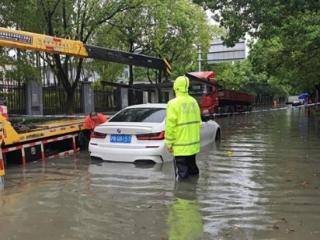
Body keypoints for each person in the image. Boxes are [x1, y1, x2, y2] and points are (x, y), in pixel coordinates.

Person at [165, 76, 201, 181]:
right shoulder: (194, 102)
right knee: (193, 170)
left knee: (181, 176)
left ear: (175, 87)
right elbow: (198, 123)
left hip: (180, 147)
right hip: (193, 147)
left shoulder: (173, 104)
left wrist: (169, 143)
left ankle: (182, 195)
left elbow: (170, 125)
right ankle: (193, 192)